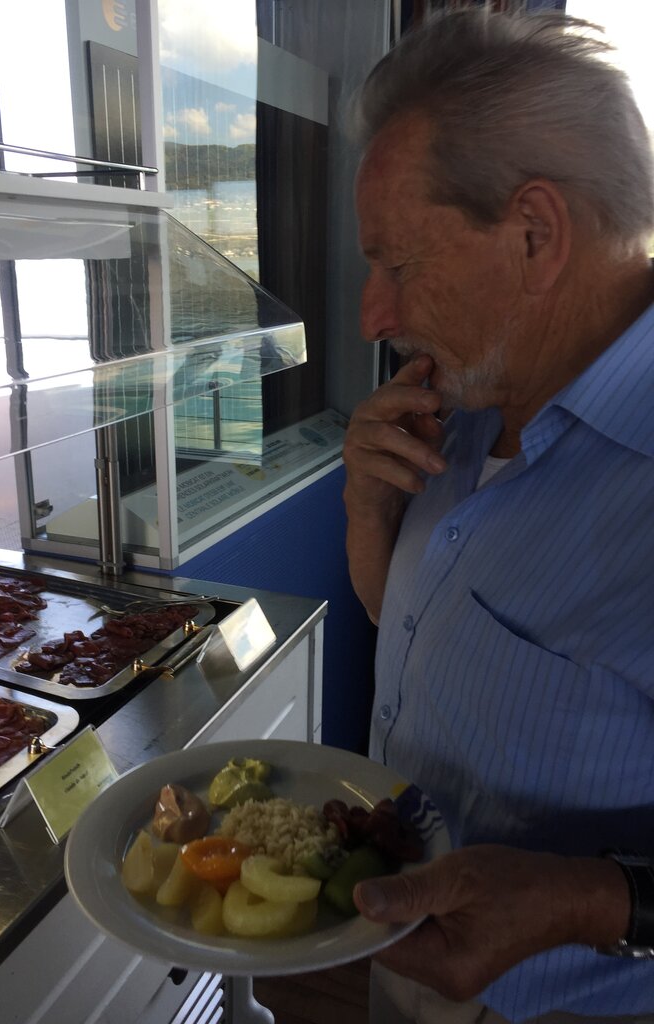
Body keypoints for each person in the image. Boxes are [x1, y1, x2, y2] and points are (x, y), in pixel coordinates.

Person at [341, 9, 654, 1024]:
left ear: (535, 234)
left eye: (397, 265)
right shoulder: (465, 403)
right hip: (403, 948)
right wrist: (368, 512)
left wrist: (584, 899)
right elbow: (422, 635)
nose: (373, 315)